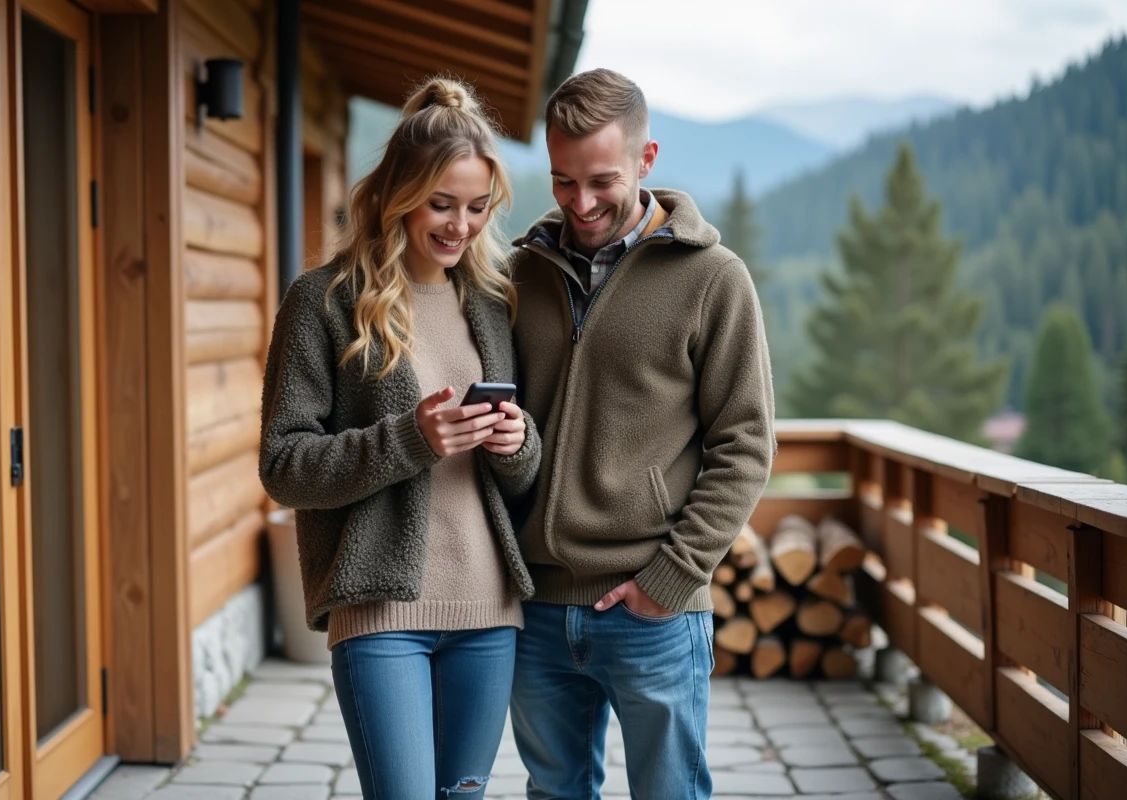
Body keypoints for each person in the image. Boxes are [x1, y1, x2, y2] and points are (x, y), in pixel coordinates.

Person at [259, 76, 539, 800]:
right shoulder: (323, 301)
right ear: (395, 195)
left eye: (478, 207)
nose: (460, 226)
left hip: (489, 608)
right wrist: (409, 438)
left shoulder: (492, 301)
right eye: (441, 204)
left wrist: (516, 445)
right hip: (380, 610)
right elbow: (284, 465)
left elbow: (516, 471)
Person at [507, 68, 777, 799]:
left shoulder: (713, 279)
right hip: (535, 607)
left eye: (602, 180)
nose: (581, 203)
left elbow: (746, 444)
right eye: (563, 181)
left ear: (646, 160)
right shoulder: (520, 275)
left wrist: (670, 580)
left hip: (652, 609)